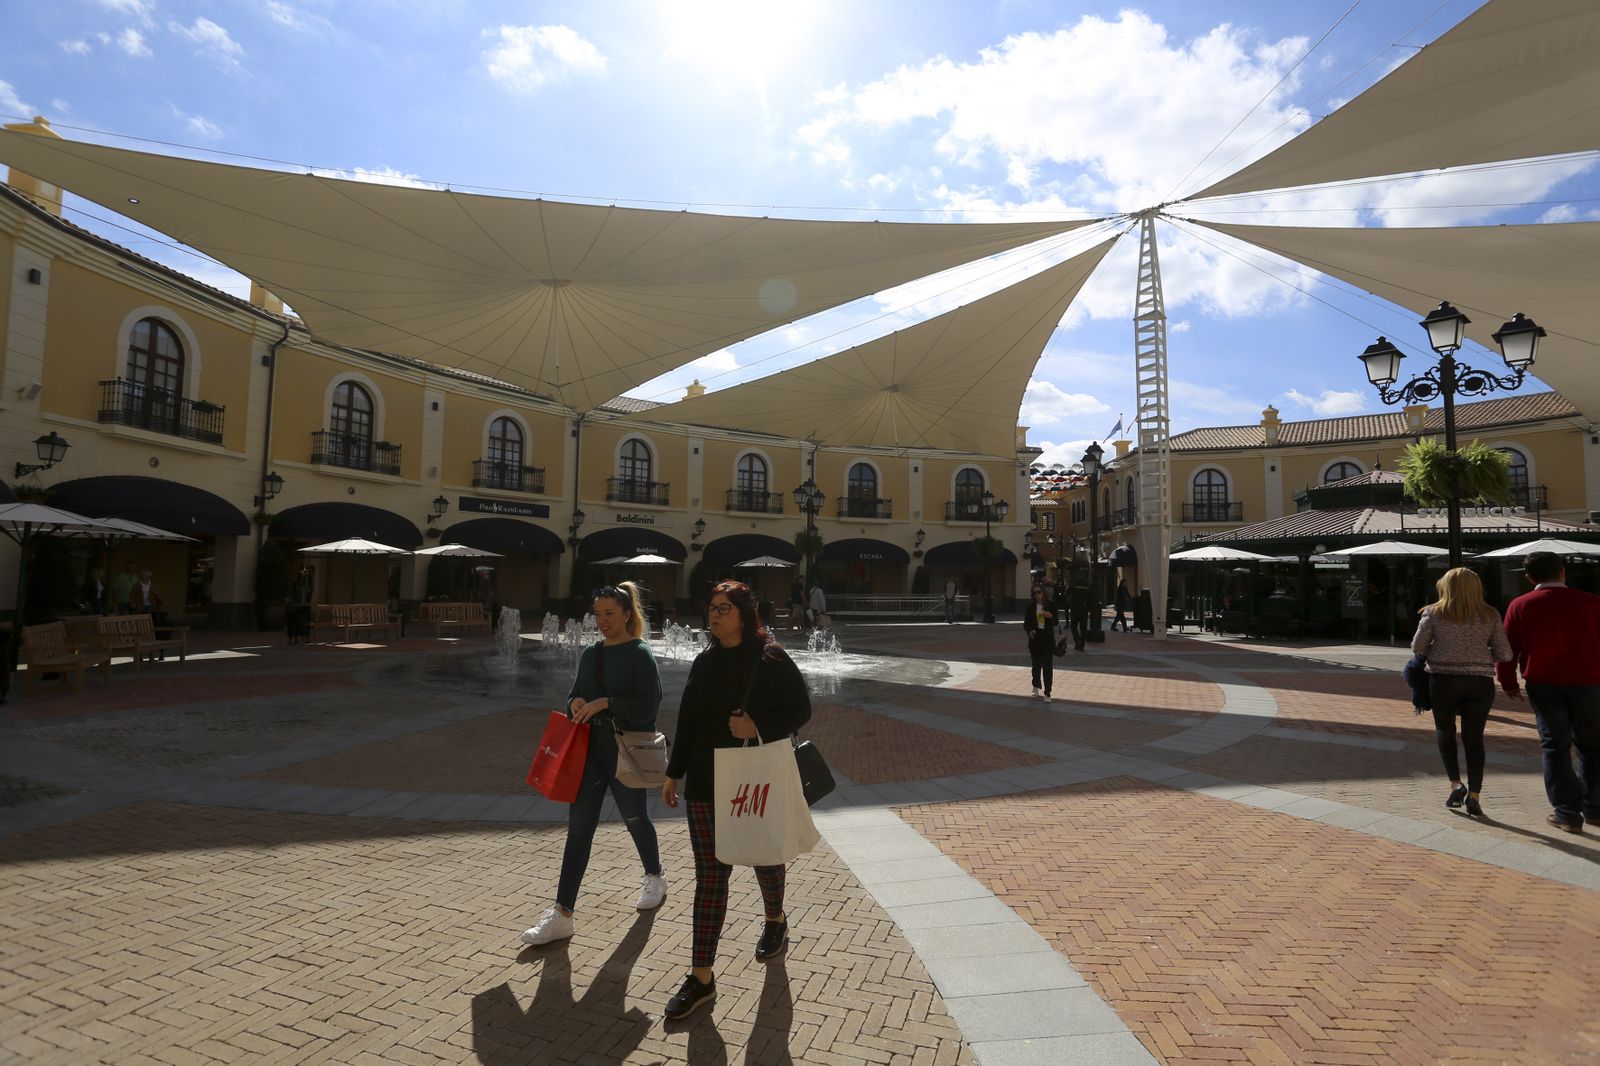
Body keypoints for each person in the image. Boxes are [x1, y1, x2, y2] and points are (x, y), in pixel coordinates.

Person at [660, 580, 811, 1021]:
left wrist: (758, 726)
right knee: (710, 876)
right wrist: (674, 772)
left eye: (724, 608)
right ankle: (701, 977)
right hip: (707, 783)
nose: (715, 615)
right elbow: (688, 719)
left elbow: (800, 710)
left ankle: (776, 920)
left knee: (764, 857)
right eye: (711, 607)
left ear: (745, 613)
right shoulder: (704, 661)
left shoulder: (771, 658)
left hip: (753, 780)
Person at [521, 581, 667, 946]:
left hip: (625, 751)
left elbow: (648, 708)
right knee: (579, 829)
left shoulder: (640, 654)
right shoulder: (591, 654)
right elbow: (575, 692)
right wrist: (575, 702)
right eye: (598, 614)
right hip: (588, 753)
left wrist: (606, 703)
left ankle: (655, 875)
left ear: (627, 614)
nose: (602, 621)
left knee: (635, 819)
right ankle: (562, 914)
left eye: (609, 614)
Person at [1495, 551, 1600, 834]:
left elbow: (1507, 650)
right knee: (1592, 744)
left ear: (1529, 577)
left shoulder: (1521, 605)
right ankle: (1595, 806)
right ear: (1563, 572)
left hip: (1544, 683)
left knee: (1555, 745)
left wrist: (1508, 682)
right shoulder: (1592, 603)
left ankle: (1566, 811)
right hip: (1589, 682)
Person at [1410, 567, 1512, 820]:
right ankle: (1475, 795)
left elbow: (1417, 647)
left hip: (1443, 680)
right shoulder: (1490, 615)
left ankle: (1456, 784)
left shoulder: (1434, 612)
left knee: (1445, 730)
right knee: (1474, 738)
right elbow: (1505, 653)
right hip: (1479, 682)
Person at [1021, 584, 1056, 703]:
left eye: (1039, 592)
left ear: (1043, 592)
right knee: (1036, 664)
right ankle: (1035, 685)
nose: (1037, 595)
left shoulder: (1050, 605)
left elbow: (1055, 622)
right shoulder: (1030, 607)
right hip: (1035, 638)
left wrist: (1050, 616)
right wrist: (1030, 631)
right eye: (1034, 593)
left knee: (1047, 666)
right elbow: (1026, 623)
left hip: (1047, 638)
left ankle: (1047, 692)